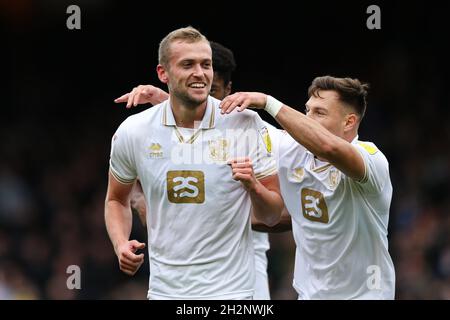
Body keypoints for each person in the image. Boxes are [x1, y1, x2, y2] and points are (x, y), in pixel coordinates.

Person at [104, 26, 284, 300]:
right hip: (165, 292)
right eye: (187, 64)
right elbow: (116, 200)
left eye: (206, 64)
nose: (200, 73)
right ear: (162, 73)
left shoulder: (244, 124)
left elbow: (272, 215)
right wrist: (120, 244)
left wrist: (253, 187)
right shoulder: (134, 131)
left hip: (232, 293)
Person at [219, 76, 396, 299]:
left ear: (349, 122)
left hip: (365, 294)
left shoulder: (370, 159)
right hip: (309, 295)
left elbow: (328, 147)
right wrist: (169, 100)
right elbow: (225, 127)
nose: (308, 118)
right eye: (307, 110)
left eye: (319, 113)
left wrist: (268, 102)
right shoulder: (289, 148)